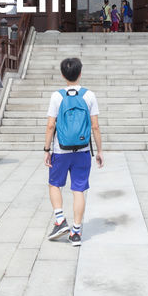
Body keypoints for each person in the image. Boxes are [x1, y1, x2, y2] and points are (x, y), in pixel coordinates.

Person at [45, 57, 104, 246]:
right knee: (78, 190)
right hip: (83, 150)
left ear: (63, 74)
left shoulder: (57, 96)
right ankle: (76, 233)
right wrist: (100, 151)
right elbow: (95, 126)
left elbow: (50, 125)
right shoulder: (89, 96)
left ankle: (60, 220)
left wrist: (47, 149)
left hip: (60, 150)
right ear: (80, 73)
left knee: (54, 184)